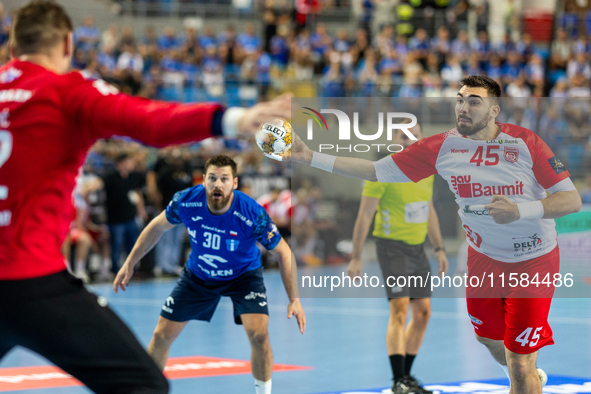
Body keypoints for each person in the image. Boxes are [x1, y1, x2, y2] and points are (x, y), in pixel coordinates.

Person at [0, 2, 291, 393]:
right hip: (29, 282)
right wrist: (232, 119)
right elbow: (150, 122)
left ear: (13, 46)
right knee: (143, 385)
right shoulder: (66, 91)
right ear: (68, 44)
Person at [274, 75, 582, 394]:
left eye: (474, 101)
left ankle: (524, 371)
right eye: (460, 99)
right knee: (489, 338)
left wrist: (520, 211)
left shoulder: (526, 143)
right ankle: (526, 371)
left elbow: (570, 199)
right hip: (484, 259)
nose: (463, 107)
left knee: (519, 361)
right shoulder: (441, 147)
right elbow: (375, 170)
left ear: (494, 111)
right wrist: (309, 157)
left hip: (534, 259)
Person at [113, 155, 306, 394]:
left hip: (243, 277)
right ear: (203, 180)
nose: (217, 184)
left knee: (259, 336)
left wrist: (294, 299)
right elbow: (157, 226)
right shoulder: (187, 201)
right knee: (161, 335)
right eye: (212, 178)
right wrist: (130, 262)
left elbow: (284, 253)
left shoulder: (251, 214)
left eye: (224, 179)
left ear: (234, 183)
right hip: (199, 276)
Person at [346, 121, 448, 394]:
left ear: (421, 138)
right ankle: (397, 381)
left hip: (417, 248)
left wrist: (438, 248)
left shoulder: (427, 171)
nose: (406, 140)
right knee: (399, 309)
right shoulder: (381, 171)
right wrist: (356, 256)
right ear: (394, 140)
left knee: (423, 312)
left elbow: (429, 210)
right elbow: (365, 215)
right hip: (391, 247)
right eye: (401, 136)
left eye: (412, 135)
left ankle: (407, 376)